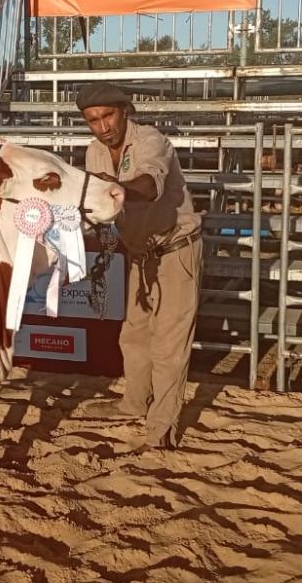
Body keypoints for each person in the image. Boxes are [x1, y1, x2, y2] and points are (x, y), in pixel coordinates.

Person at [76, 83, 203, 452]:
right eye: (93, 120)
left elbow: (150, 185)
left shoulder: (152, 141)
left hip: (175, 248)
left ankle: (162, 427)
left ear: (124, 111)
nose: (102, 127)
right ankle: (133, 402)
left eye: (108, 116)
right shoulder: (93, 153)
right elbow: (97, 206)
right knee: (133, 334)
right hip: (138, 252)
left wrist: (116, 189)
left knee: (169, 344)